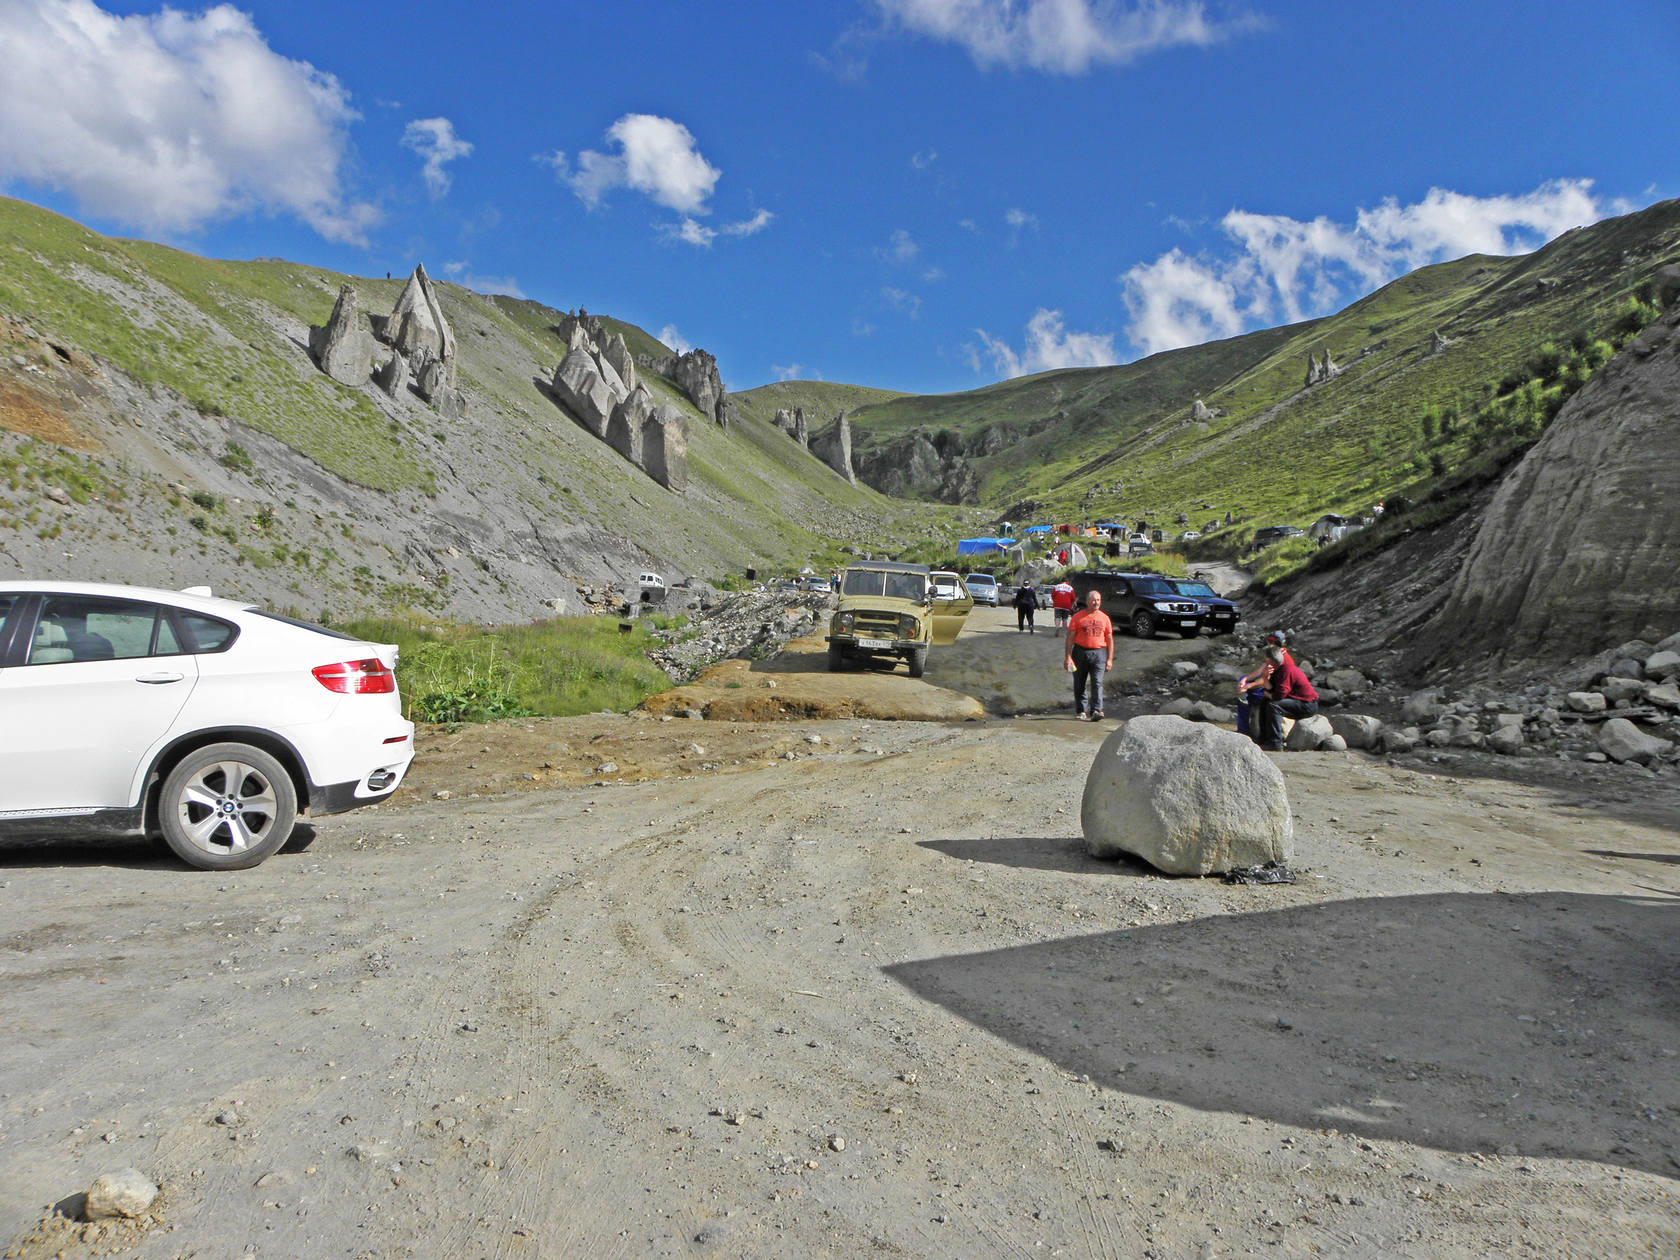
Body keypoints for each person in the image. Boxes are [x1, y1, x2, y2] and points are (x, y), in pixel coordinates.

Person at [1249, 644, 1318, 750]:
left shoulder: (1286, 670)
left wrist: (1269, 694)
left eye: (1266, 659)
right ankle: (1263, 738)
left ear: (1270, 660)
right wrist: (1265, 677)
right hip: (1297, 701)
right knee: (1265, 701)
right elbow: (1270, 689)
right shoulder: (1277, 669)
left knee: (1274, 706)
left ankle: (1275, 743)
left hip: (1307, 704)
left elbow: (1279, 695)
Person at [1063, 591, 1114, 721]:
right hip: (1079, 653)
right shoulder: (1077, 617)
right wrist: (1068, 657)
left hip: (1099, 654)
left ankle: (1096, 710)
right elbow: (1070, 638)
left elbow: (1109, 639)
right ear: (1087, 601)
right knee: (1079, 683)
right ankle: (1081, 711)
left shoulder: (1105, 618)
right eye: (1093, 600)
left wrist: (1109, 659)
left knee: (1097, 682)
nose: (1096, 602)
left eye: (1098, 600)